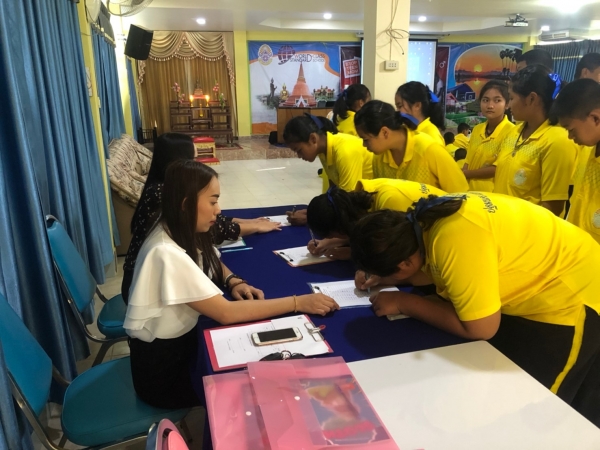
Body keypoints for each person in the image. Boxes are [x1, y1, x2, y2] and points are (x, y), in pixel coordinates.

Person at [351, 193, 600, 426]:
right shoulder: (422, 223)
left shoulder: (454, 239)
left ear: (405, 263)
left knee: (537, 405)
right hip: (543, 276)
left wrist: (403, 302)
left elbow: (481, 328)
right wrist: (388, 277)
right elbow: (438, 271)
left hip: (572, 295)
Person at [124, 160, 339, 409]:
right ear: (185, 204)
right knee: (258, 389)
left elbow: (208, 257)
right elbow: (226, 313)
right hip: (165, 375)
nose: (218, 210)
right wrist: (298, 302)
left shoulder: (174, 223)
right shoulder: (165, 253)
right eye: (213, 201)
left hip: (178, 350)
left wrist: (231, 279)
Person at [121, 133, 282, 303]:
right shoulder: (164, 198)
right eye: (193, 160)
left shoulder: (166, 189)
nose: (198, 165)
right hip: (139, 287)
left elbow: (209, 235)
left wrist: (250, 222)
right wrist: (296, 302)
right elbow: (226, 312)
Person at [493, 65, 576, 216]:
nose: (508, 105)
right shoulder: (514, 132)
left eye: (511, 98)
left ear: (531, 99)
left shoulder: (557, 141)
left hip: (527, 227)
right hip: (502, 221)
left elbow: (552, 207)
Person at [306, 180, 445, 260]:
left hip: (440, 240)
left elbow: (401, 256)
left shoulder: (389, 204)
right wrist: (332, 242)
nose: (334, 238)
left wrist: (353, 254)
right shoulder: (356, 201)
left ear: (341, 226)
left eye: (332, 235)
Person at [354, 101, 468, 193]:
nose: (364, 145)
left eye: (366, 139)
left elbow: (460, 194)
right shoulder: (378, 159)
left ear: (385, 132)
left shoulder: (428, 149)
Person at [283, 114, 373, 225]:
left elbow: (348, 203)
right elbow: (333, 193)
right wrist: (313, 212)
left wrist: (311, 218)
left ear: (313, 139)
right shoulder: (323, 150)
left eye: (299, 150)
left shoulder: (345, 151)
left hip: (375, 207)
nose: (299, 156)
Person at [551, 78, 600, 244]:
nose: (570, 137)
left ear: (595, 119)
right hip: (578, 249)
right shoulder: (586, 150)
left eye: (571, 129)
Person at [462, 80, 515, 192]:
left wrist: (466, 174)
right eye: (485, 100)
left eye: (497, 100)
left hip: (492, 195)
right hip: (469, 191)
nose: (490, 106)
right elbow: (468, 160)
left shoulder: (512, 132)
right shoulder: (477, 129)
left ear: (507, 104)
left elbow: (498, 168)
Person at [395, 81, 445, 146]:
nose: (398, 111)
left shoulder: (432, 136)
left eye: (400, 106)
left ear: (417, 106)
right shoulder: (408, 129)